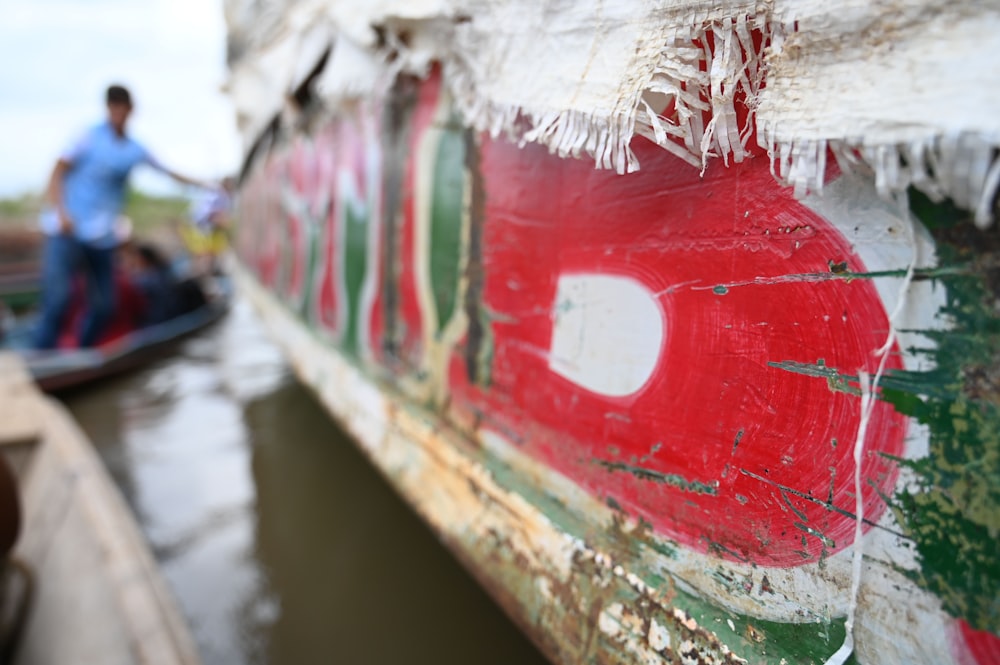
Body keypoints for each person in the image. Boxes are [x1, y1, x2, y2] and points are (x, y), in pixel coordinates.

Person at [33, 84, 212, 349]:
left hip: (101, 238)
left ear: (130, 110)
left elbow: (167, 171)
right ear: (108, 108)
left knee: (105, 305)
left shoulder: (135, 149)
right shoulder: (87, 137)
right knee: (58, 299)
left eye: (122, 107)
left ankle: (82, 355)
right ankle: (40, 357)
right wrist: (62, 213)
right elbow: (57, 172)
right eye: (112, 106)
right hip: (67, 232)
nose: (117, 112)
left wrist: (207, 183)